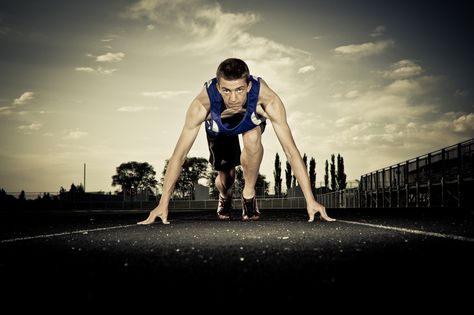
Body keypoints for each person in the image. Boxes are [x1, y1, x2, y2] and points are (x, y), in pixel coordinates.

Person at [138, 58, 335, 225]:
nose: (233, 98)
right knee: (227, 177)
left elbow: (291, 152)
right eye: (226, 91)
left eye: (240, 90)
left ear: (248, 85)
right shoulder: (201, 106)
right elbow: (179, 156)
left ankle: (248, 195)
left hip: (250, 123)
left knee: (253, 136)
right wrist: (163, 202)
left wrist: (311, 200)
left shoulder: (267, 100)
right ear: (217, 87)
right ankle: (225, 195)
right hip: (220, 124)